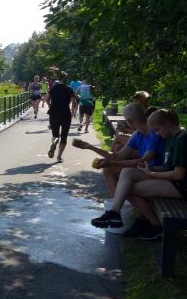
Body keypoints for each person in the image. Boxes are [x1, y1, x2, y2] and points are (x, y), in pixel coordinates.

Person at [90, 109, 186, 239]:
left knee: (128, 189)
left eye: (158, 129)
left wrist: (151, 173)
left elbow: (178, 175)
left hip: (181, 185)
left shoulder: (181, 140)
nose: (157, 134)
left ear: (168, 123)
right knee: (127, 172)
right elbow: (166, 168)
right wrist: (149, 169)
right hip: (173, 180)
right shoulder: (172, 138)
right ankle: (114, 213)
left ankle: (156, 225)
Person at [74, 102, 165, 220]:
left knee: (125, 187)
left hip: (157, 172)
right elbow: (118, 156)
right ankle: (117, 211)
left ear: (129, 121)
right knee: (109, 170)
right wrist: (90, 147)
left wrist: (111, 163)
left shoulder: (155, 134)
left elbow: (143, 161)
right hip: (145, 171)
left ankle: (151, 222)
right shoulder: (138, 135)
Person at [44, 76, 77, 162]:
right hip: (66, 114)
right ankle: (59, 157)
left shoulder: (53, 88)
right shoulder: (69, 89)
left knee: (55, 135)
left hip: (54, 113)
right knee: (64, 136)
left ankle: (54, 143)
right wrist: (72, 111)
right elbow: (74, 102)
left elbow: (46, 99)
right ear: (66, 81)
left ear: (59, 80)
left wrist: (50, 106)